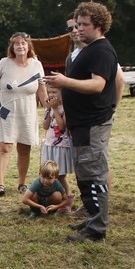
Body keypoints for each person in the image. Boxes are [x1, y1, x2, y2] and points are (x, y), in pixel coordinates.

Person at [46, 2, 118, 242]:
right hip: (82, 123)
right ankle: (91, 220)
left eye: (84, 25)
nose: (79, 29)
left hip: (92, 123)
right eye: (77, 24)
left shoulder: (102, 51)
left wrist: (64, 82)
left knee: (94, 176)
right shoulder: (89, 50)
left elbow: (98, 85)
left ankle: (97, 229)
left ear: (99, 26)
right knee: (85, 176)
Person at [0, 32, 44, 198]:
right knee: (5, 147)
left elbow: (42, 89)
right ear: (12, 47)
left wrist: (49, 107)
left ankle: (22, 183)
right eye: (17, 44)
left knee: (24, 147)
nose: (20, 46)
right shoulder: (4, 63)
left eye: (23, 43)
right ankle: (0, 184)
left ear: (28, 46)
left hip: (27, 111)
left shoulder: (36, 65)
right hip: (7, 111)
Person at [40, 84, 76, 212]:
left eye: (54, 92)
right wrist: (48, 110)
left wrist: (55, 109)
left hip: (61, 146)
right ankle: (54, 199)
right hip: (50, 144)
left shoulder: (66, 107)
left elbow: (62, 127)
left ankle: (67, 201)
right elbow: (45, 126)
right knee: (49, 173)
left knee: (60, 175)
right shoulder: (51, 107)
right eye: (49, 92)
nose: (51, 95)